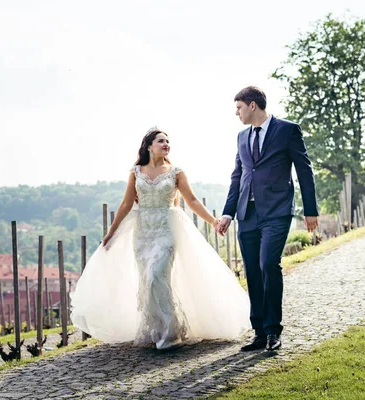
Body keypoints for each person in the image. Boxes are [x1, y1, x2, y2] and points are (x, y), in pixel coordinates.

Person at [71, 127, 250, 350]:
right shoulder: (136, 172)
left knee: (156, 275)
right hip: (143, 232)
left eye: (167, 141)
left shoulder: (176, 172)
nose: (166, 144)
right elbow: (126, 204)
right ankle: (156, 329)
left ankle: (171, 332)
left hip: (167, 229)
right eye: (160, 141)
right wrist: (111, 232)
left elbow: (192, 201)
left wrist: (212, 220)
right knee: (147, 281)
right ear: (148, 146)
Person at [217, 86, 319, 352]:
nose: (236, 113)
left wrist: (311, 209)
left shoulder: (287, 130)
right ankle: (259, 332)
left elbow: (304, 170)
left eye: (238, 107)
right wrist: (228, 213)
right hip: (247, 215)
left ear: (252, 105)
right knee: (252, 271)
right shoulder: (241, 137)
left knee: (268, 264)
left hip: (276, 211)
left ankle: (274, 331)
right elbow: (237, 177)